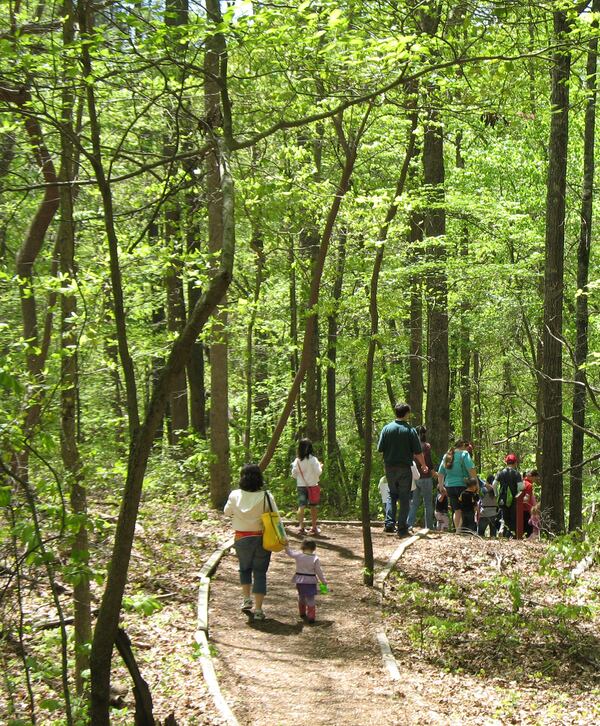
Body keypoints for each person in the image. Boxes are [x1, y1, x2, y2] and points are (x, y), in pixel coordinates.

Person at [224, 464, 279, 622]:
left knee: (244, 568)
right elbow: (276, 516)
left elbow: (227, 512)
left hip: (241, 538)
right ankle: (259, 609)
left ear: (242, 477)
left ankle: (246, 599)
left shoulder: (234, 495)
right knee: (260, 573)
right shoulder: (266, 496)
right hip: (262, 538)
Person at [377, 402, 428, 538]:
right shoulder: (410, 430)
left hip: (389, 467)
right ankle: (402, 528)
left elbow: (380, 449)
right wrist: (423, 465)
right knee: (404, 497)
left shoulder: (386, 429)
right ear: (406, 414)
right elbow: (418, 451)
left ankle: (389, 524)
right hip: (404, 467)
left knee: (392, 494)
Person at [284, 537, 328, 624]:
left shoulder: (299, 555)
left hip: (300, 580)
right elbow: (319, 571)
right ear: (314, 548)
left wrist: (286, 545)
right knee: (310, 598)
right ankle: (311, 616)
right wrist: (323, 581)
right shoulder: (315, 558)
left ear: (302, 547)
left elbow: (290, 553)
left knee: (301, 596)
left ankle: (302, 613)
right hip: (310, 581)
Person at [436, 440, 477, 532]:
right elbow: (471, 469)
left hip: (450, 486)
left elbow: (440, 473)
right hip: (462, 486)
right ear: (463, 446)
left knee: (456, 510)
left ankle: (458, 530)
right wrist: (475, 483)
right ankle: (461, 530)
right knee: (464, 510)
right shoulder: (464, 454)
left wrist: (442, 486)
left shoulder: (446, 455)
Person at [291, 438, 323, 536]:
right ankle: (314, 527)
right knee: (313, 506)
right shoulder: (313, 460)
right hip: (312, 486)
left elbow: (293, 475)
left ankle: (301, 527)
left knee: (301, 506)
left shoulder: (297, 461)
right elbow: (319, 472)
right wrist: (321, 467)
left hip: (301, 486)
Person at [407, 425, 435, 530]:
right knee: (428, 503)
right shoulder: (426, 446)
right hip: (426, 477)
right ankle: (429, 527)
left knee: (414, 503)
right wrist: (433, 472)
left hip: (415, 477)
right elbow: (428, 461)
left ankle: (409, 524)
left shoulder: (411, 447)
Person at [495, 453, 522, 537]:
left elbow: (494, 484)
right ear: (515, 463)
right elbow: (520, 487)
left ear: (506, 462)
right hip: (514, 499)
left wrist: (496, 494)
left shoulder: (500, 473)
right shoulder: (517, 474)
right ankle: (511, 535)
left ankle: (502, 530)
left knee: (503, 516)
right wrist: (518, 494)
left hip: (502, 497)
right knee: (512, 517)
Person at [521, 469, 539, 538]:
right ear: (531, 476)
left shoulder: (522, 482)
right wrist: (531, 510)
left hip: (520, 509)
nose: (535, 480)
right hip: (527, 510)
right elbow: (526, 499)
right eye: (535, 478)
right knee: (529, 530)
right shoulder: (529, 485)